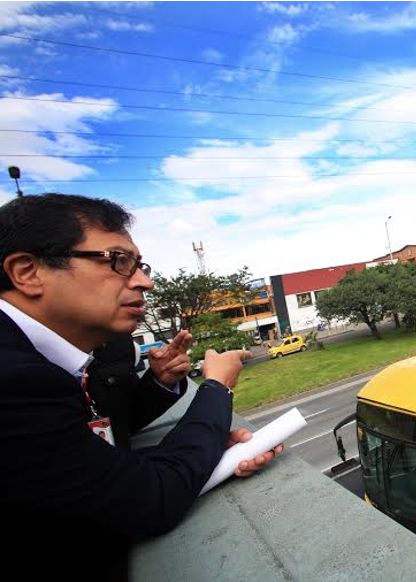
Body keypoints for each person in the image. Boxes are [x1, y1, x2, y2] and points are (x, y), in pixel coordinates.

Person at [0, 194, 264, 579]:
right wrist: (217, 387)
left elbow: (78, 456)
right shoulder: (15, 380)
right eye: (118, 261)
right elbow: (149, 498)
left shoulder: (36, 357)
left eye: (140, 265)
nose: (146, 282)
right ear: (27, 271)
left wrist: (197, 440)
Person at [89, 331, 283, 473]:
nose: (146, 283)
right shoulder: (59, 379)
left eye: (143, 272)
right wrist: (218, 384)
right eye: (122, 272)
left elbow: (119, 422)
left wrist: (205, 447)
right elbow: (140, 494)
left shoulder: (115, 343)